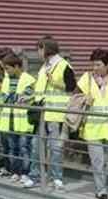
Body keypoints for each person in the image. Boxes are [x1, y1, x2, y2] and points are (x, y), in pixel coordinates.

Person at [24, 35, 76, 189]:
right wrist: (30, 97)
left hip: (56, 114)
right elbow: (41, 89)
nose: (38, 52)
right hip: (40, 113)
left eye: (39, 49)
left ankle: (56, 177)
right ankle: (35, 176)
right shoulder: (43, 66)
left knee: (55, 148)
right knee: (36, 145)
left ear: (46, 49)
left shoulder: (64, 65)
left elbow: (73, 87)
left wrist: (57, 84)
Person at [77, 48, 108, 199]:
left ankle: (101, 185)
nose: (95, 68)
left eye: (98, 65)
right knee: (97, 160)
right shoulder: (86, 78)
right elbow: (74, 96)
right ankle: (101, 190)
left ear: (107, 64)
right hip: (92, 128)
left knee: (105, 161)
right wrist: (85, 98)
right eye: (94, 65)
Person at [0, 52, 36, 183]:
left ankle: (25, 172)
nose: (6, 72)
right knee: (12, 148)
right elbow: (4, 98)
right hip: (9, 121)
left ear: (17, 66)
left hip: (23, 122)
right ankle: (15, 171)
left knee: (24, 148)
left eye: (7, 69)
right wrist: (15, 97)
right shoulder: (7, 80)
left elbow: (22, 98)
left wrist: (14, 97)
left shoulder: (29, 80)